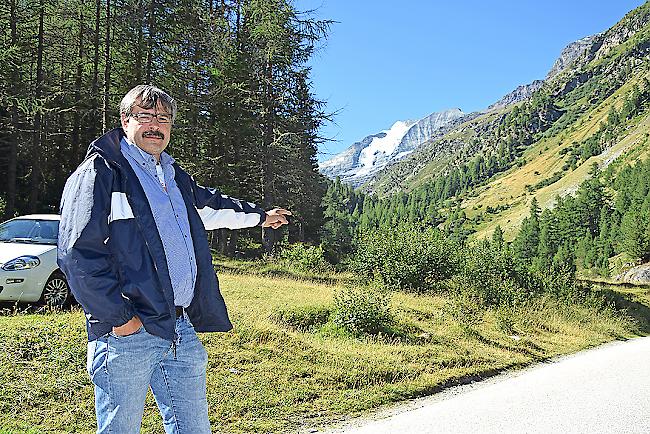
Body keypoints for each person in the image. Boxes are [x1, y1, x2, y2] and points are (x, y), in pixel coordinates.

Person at [57, 84, 290, 434]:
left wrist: (261, 216)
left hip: (179, 328)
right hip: (127, 333)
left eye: (163, 119)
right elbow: (77, 254)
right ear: (125, 120)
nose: (155, 125)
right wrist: (121, 319)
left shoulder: (173, 176)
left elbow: (212, 207)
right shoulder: (102, 172)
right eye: (145, 116)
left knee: (193, 428)